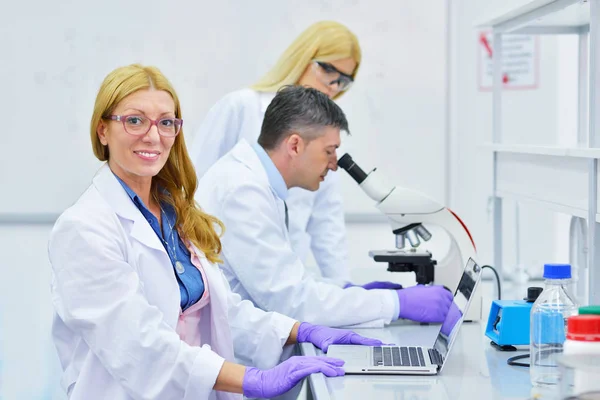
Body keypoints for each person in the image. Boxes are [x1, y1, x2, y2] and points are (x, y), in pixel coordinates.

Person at [47, 64, 387, 400]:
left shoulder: (174, 212)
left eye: (166, 122)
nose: (153, 136)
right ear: (102, 130)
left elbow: (219, 313)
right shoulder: (85, 229)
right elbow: (139, 345)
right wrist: (252, 379)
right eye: (134, 120)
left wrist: (298, 330)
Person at [196, 85, 453, 328]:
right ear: (295, 145)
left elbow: (290, 282)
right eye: (329, 151)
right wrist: (395, 303)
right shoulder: (243, 192)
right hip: (240, 356)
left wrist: (346, 292)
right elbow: (292, 300)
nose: (333, 164)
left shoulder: (256, 183)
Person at [190, 20, 400, 290]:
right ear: (304, 57)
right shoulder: (242, 107)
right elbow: (192, 187)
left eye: (343, 80)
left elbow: (327, 222)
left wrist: (345, 291)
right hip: (225, 273)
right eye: (327, 70)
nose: (333, 86)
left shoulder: (325, 135)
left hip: (286, 280)